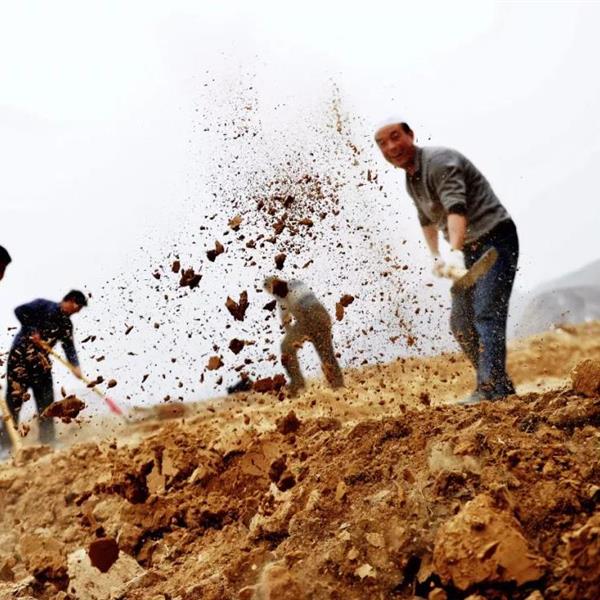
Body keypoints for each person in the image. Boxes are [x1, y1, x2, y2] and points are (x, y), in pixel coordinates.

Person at [374, 119, 519, 403]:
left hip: (494, 239)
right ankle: (498, 387)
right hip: (467, 247)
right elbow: (426, 219)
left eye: (395, 137)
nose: (391, 146)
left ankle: (490, 389)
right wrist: (437, 256)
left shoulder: (439, 162)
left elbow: (456, 208)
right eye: (382, 143)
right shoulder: (411, 179)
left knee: (487, 312)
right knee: (461, 323)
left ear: (410, 135)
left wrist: (453, 251)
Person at [2, 290, 87, 447]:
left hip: (41, 364)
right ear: (70, 300)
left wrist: (75, 366)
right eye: (78, 307)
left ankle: (48, 442)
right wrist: (32, 330)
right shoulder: (42, 305)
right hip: (19, 360)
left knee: (47, 404)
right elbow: (19, 310)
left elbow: (69, 347)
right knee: (13, 403)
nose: (77, 311)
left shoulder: (66, 324)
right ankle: (6, 447)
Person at [264, 277, 344, 396]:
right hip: (319, 318)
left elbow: (301, 304)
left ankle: (298, 384)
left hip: (312, 316)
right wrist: (293, 336)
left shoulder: (292, 286)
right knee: (326, 353)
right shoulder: (283, 298)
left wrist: (293, 336)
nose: (271, 293)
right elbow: (286, 321)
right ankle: (338, 385)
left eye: (270, 289)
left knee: (288, 347)